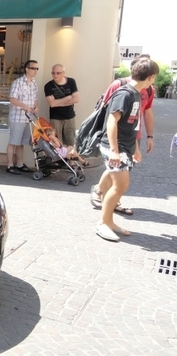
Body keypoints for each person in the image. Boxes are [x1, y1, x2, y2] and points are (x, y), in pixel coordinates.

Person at [93, 57, 158, 242]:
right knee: (120, 185)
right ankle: (103, 223)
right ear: (151, 76)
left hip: (125, 146)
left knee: (118, 185)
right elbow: (112, 121)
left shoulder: (138, 93)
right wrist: (114, 150)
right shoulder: (125, 93)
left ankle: (109, 221)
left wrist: (135, 147)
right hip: (115, 146)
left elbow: (132, 124)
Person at [6, 60, 39, 174]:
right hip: (17, 117)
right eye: (33, 68)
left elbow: (35, 99)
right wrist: (23, 105)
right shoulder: (18, 82)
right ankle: (10, 165)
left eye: (37, 69)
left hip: (28, 118)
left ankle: (20, 164)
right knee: (13, 142)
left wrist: (35, 106)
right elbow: (12, 99)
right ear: (27, 69)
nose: (35, 71)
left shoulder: (34, 83)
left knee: (21, 143)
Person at [44, 64, 79, 146]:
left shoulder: (71, 82)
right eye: (53, 73)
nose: (55, 75)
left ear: (63, 73)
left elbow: (76, 99)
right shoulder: (48, 86)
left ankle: (70, 158)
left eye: (58, 73)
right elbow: (52, 104)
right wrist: (68, 98)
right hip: (55, 118)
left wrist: (58, 103)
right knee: (56, 142)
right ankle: (59, 159)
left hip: (69, 116)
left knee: (71, 142)